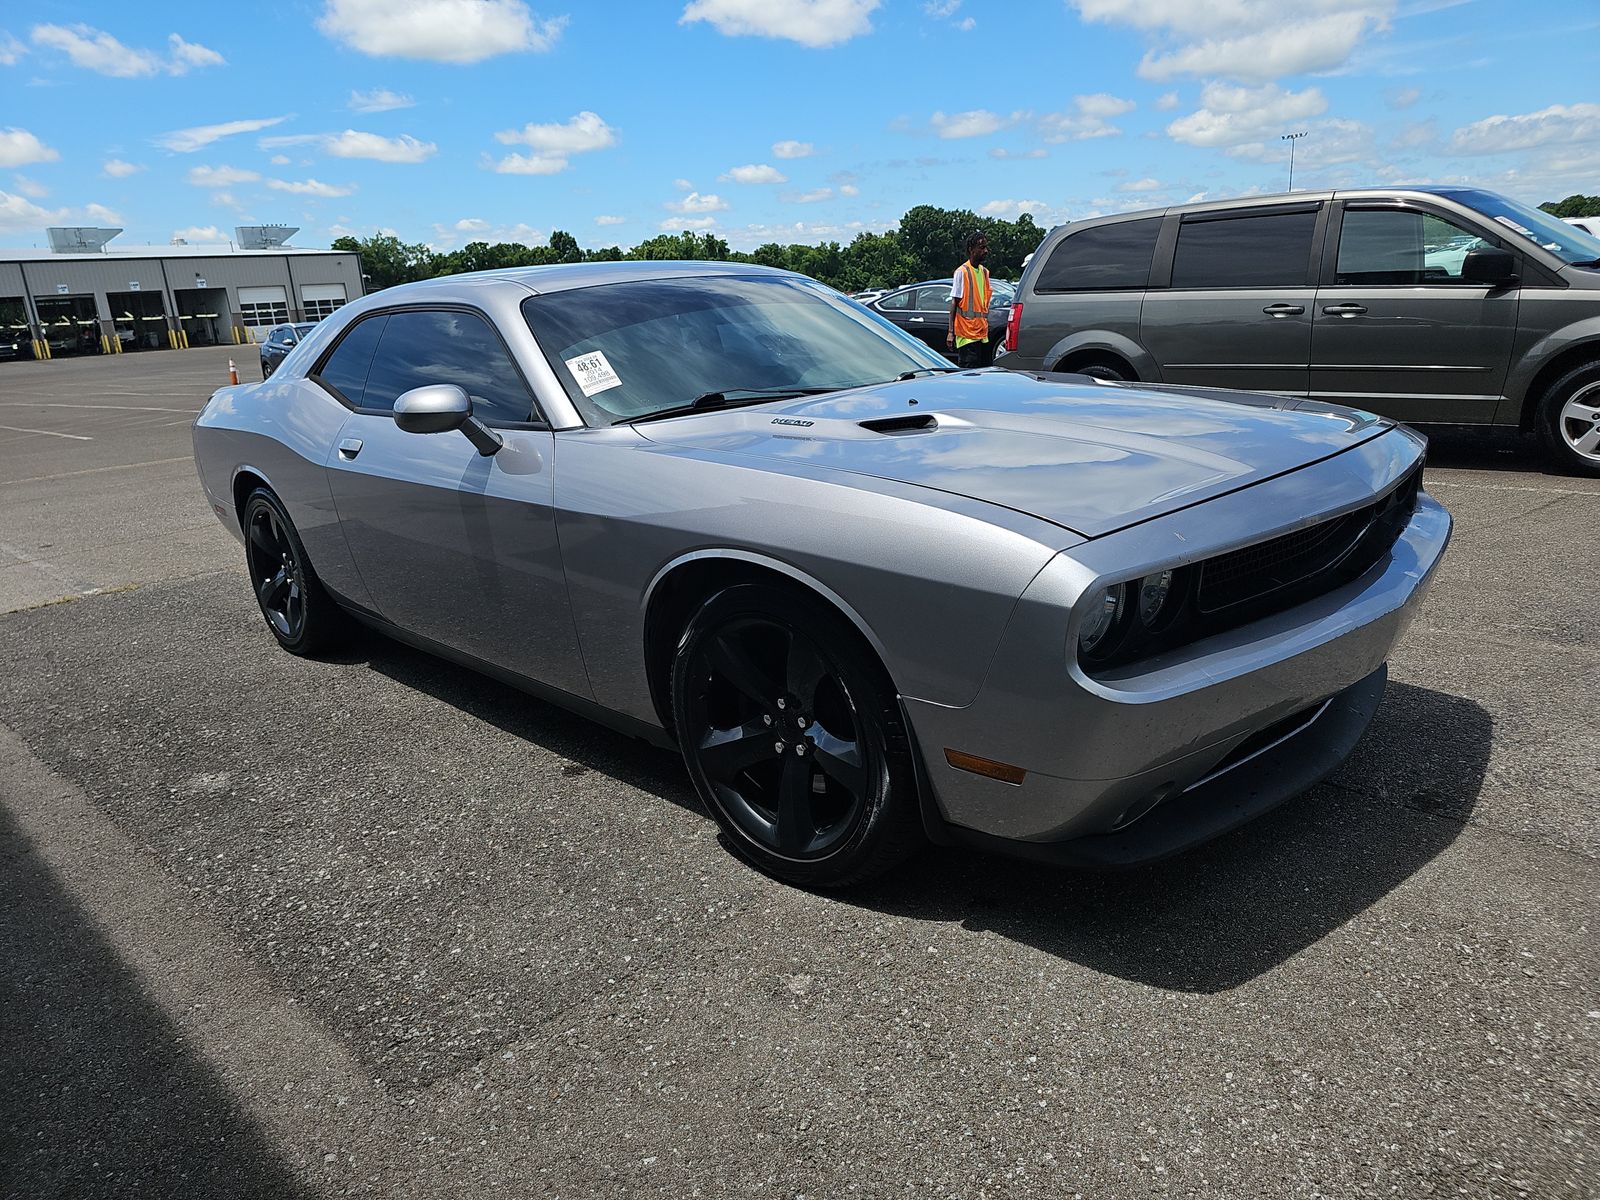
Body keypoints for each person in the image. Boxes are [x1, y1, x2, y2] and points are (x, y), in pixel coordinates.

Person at [946, 230, 992, 368]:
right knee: (969, 376)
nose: (986, 251)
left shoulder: (984, 272)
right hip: (966, 335)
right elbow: (954, 303)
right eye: (982, 247)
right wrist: (950, 332)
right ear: (971, 250)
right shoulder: (962, 272)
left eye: (986, 247)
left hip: (981, 333)